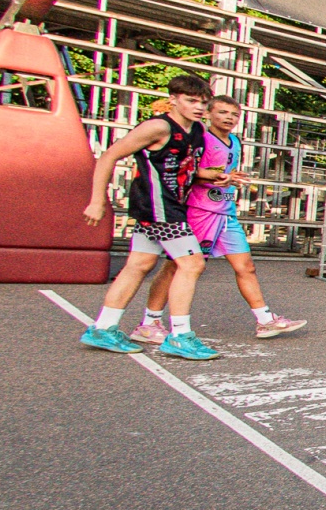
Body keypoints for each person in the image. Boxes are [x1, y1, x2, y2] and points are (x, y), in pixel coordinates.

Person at [135, 94, 305, 344]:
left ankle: (265, 319)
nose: (229, 118)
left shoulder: (235, 141)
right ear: (209, 114)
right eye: (223, 112)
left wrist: (230, 177)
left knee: (246, 266)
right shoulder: (200, 138)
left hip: (226, 212)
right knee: (176, 266)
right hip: (199, 210)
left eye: (234, 114)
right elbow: (185, 172)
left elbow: (224, 172)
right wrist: (216, 177)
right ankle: (150, 322)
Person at [76, 74, 219, 361]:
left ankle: (103, 328)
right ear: (173, 99)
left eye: (204, 103)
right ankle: (180, 336)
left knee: (138, 265)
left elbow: (182, 167)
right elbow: (108, 156)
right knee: (192, 264)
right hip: (158, 207)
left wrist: (212, 176)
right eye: (191, 101)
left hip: (168, 205)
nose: (199, 107)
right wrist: (97, 200)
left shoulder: (197, 129)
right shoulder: (157, 127)